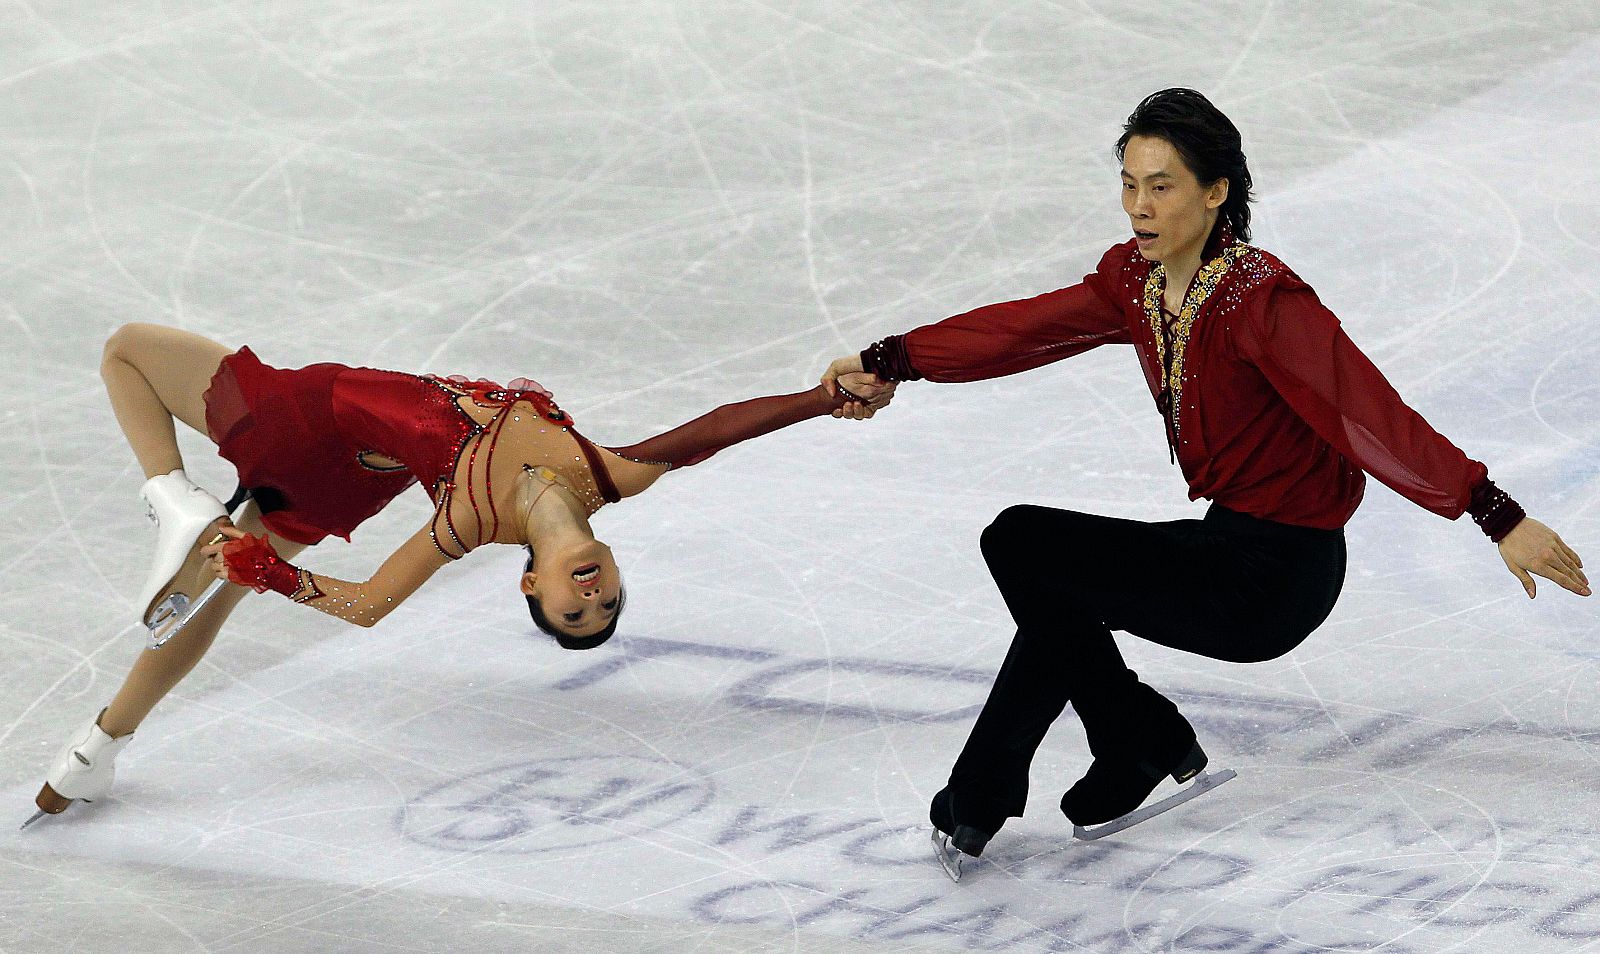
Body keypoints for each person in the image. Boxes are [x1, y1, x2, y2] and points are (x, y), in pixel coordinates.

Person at [819, 88, 1588, 874]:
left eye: (1162, 185)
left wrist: (1493, 511)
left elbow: (1366, 409)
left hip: (1276, 577)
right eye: (1128, 183)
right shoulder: (1138, 284)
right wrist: (895, 361)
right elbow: (1024, 329)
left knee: (1042, 565)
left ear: (1216, 191)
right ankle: (1127, 741)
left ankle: (1036, 776)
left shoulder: (1263, 301)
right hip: (1223, 544)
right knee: (1030, 554)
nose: (1139, 207)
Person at [29, 323, 895, 824]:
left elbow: (370, 604)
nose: (591, 596)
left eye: (574, 612)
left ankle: (172, 497)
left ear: (532, 586)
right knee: (205, 603)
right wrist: (825, 395)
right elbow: (719, 428)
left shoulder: (473, 520)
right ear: (615, 566)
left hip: (314, 415)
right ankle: (97, 748)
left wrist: (273, 576)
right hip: (351, 466)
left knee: (127, 352)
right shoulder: (613, 472)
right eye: (608, 602)